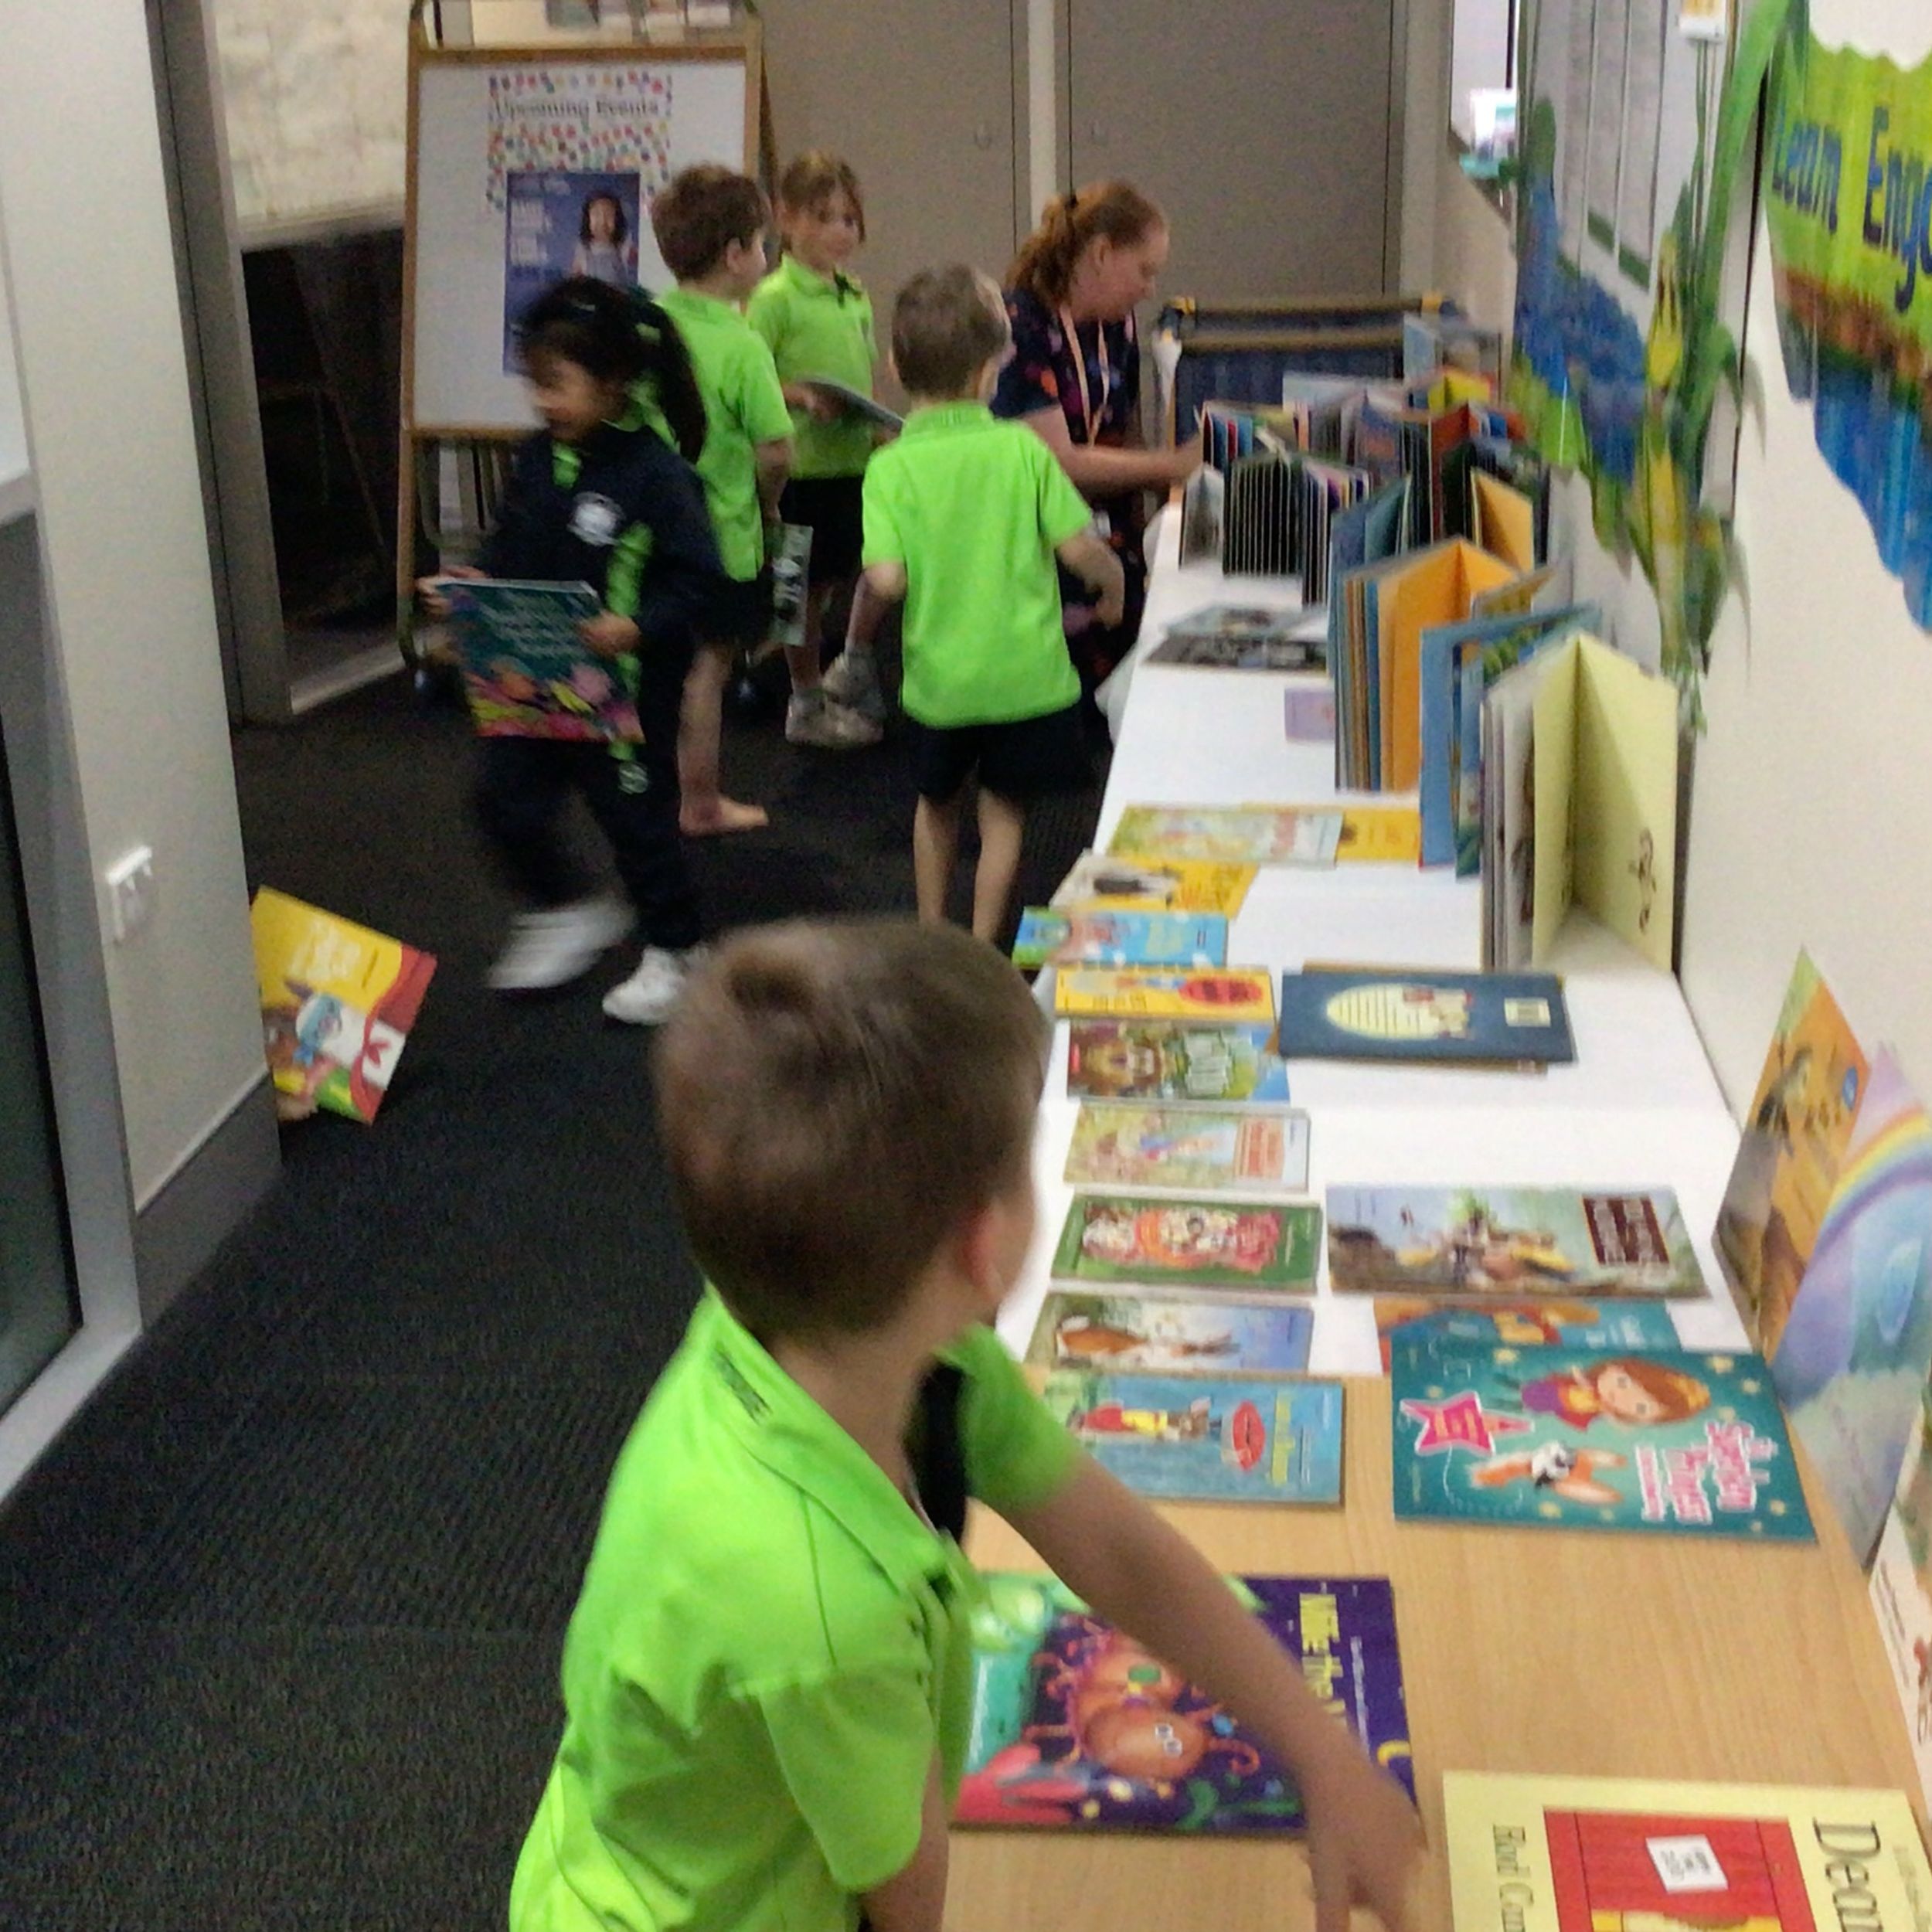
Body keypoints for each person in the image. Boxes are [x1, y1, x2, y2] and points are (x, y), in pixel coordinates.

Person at [508, 917, 1424, 1932]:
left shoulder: (879, 1348)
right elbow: (905, 1900)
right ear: (985, 1248)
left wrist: (1324, 1755)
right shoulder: (827, 1613)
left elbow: (1117, 1552)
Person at [417, 277, 722, 1023]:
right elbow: (509, 546)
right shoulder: (535, 458)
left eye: (558, 384)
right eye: (535, 384)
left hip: (626, 688)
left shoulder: (657, 475)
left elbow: (700, 579)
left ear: (613, 382)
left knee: (636, 820)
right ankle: (565, 908)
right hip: (534, 678)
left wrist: (638, 626)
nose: (542, 401)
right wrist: (473, 582)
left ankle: (679, 950)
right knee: (503, 799)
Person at [862, 266, 1121, 941]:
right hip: (1024, 682)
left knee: (936, 807)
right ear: (990, 374)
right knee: (1004, 817)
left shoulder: (888, 468)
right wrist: (1114, 585)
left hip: (940, 687)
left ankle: (931, 932)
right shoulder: (1021, 451)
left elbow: (885, 581)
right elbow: (1081, 549)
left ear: (894, 368)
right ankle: (981, 945)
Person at [992, 181, 1202, 695]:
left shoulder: (1117, 325)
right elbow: (1056, 464)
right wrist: (1175, 465)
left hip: (1105, 532)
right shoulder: (1021, 324)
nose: (1150, 288)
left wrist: (1155, 529)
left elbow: (1125, 435)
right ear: (1103, 254)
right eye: (1145, 270)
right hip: (1037, 541)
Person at [651, 164, 793, 834]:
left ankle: (650, 790)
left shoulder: (646, 328)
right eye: (762, 243)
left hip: (648, 536)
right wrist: (769, 506)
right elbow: (776, 450)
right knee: (706, 670)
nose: (766, 255)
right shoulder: (741, 344)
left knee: (656, 665)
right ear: (736, 255)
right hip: (721, 536)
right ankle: (701, 801)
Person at [747, 151, 892, 748]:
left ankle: (837, 666)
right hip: (799, 470)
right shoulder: (773, 297)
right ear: (786, 217)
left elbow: (861, 374)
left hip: (849, 463)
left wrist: (878, 424)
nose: (840, 232)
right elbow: (751, 378)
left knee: (837, 577)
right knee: (797, 591)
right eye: (824, 217)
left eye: (849, 220)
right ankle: (803, 702)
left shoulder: (854, 294)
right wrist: (800, 396)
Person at [570, 191, 637, 288]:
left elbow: (639, 260)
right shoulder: (583, 249)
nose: (603, 222)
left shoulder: (621, 247)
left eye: (609, 215)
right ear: (588, 219)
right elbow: (575, 278)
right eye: (596, 214)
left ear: (617, 220)